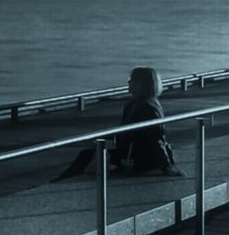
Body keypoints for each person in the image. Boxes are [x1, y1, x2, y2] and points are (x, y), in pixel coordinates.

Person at [53, 66, 185, 180]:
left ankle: (64, 178)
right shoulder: (140, 103)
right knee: (91, 149)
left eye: (131, 79)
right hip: (133, 150)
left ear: (140, 83)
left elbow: (157, 138)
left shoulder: (145, 106)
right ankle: (66, 176)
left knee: (89, 153)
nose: (128, 82)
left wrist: (166, 166)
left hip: (139, 155)